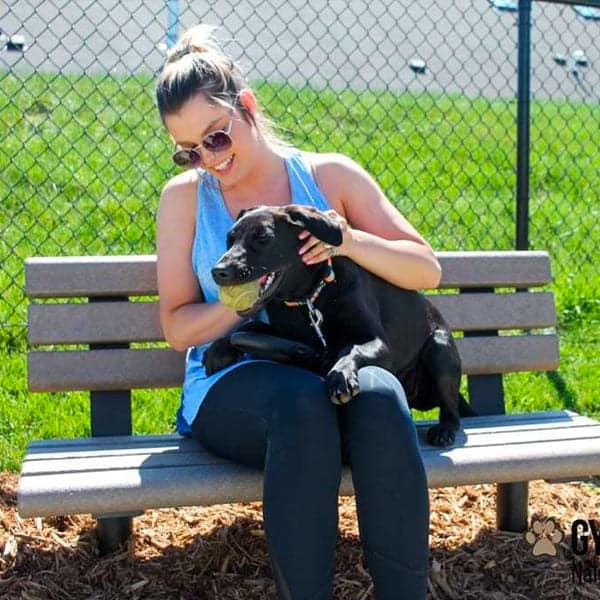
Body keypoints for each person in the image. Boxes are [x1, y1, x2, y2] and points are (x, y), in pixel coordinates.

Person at [155, 24, 440, 600]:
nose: (209, 160)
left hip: (329, 362)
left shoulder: (328, 176)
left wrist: (347, 241)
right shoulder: (184, 198)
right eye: (190, 149)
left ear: (248, 107)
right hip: (233, 380)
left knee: (382, 398)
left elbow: (425, 269)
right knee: (302, 408)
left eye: (216, 137)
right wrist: (244, 300)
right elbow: (177, 327)